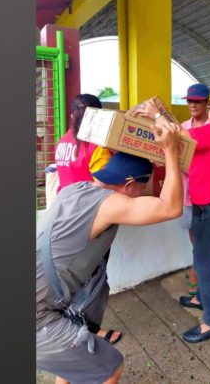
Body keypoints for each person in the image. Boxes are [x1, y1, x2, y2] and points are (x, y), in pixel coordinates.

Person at [36, 121, 183, 384]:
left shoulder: (73, 189)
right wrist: (170, 151)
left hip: (43, 300)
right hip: (38, 317)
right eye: (145, 184)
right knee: (110, 368)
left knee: (72, 364)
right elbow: (170, 207)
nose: (146, 190)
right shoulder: (111, 204)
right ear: (129, 184)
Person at [137, 90, 210, 343]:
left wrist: (155, 115)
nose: (207, 111)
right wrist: (161, 116)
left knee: (205, 267)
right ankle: (200, 298)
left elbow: (176, 134)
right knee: (200, 258)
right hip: (209, 208)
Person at [52, 93, 121, 350]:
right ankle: (89, 329)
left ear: (72, 114)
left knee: (75, 278)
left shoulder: (63, 142)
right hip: (92, 220)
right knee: (94, 279)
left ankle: (72, 325)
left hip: (64, 218)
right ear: (99, 117)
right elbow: (108, 183)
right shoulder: (96, 146)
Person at [180, 83, 210, 302]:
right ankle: (198, 271)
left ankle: (197, 277)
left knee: (204, 240)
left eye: (197, 101)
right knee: (194, 237)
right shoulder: (183, 126)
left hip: (208, 192)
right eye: (189, 101)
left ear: (207, 103)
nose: (192, 104)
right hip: (187, 193)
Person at [54, 94, 112, 192]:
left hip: (63, 202)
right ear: (100, 116)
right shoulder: (96, 144)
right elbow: (105, 184)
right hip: (87, 204)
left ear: (72, 115)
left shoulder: (61, 142)